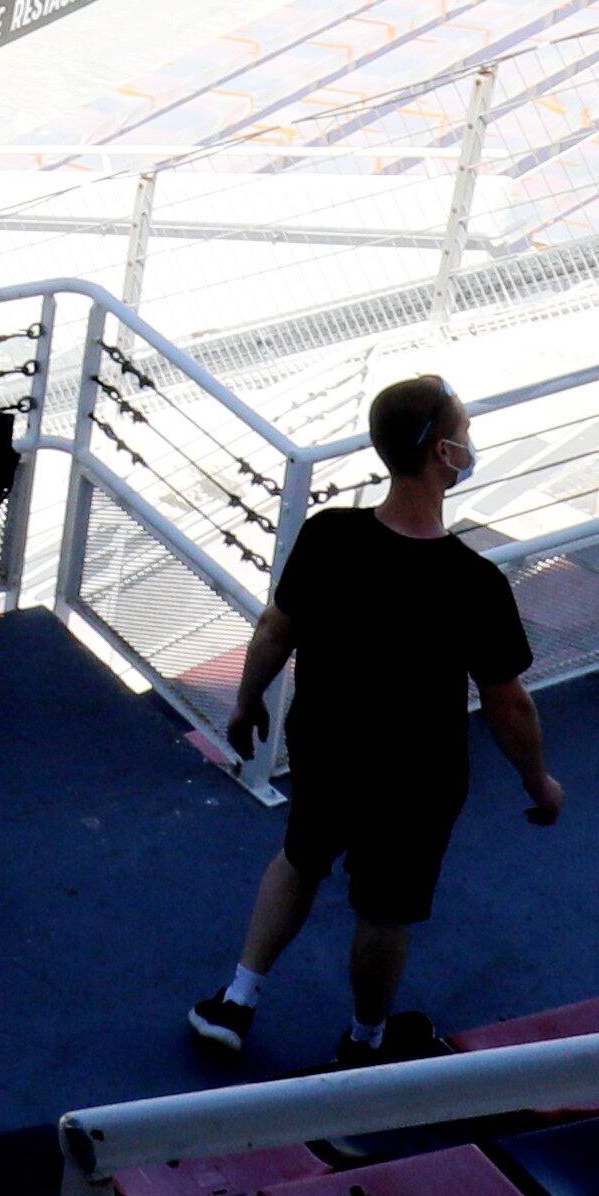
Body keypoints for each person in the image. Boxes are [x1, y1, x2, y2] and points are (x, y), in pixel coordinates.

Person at [192, 372, 559, 1071]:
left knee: (301, 858)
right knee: (385, 911)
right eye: (465, 431)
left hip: (325, 746)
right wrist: (538, 781)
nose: (471, 442)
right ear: (443, 452)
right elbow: (509, 702)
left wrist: (245, 702)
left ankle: (236, 1000)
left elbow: (275, 630)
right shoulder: (474, 582)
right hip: (417, 775)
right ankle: (365, 1042)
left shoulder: (330, 535)